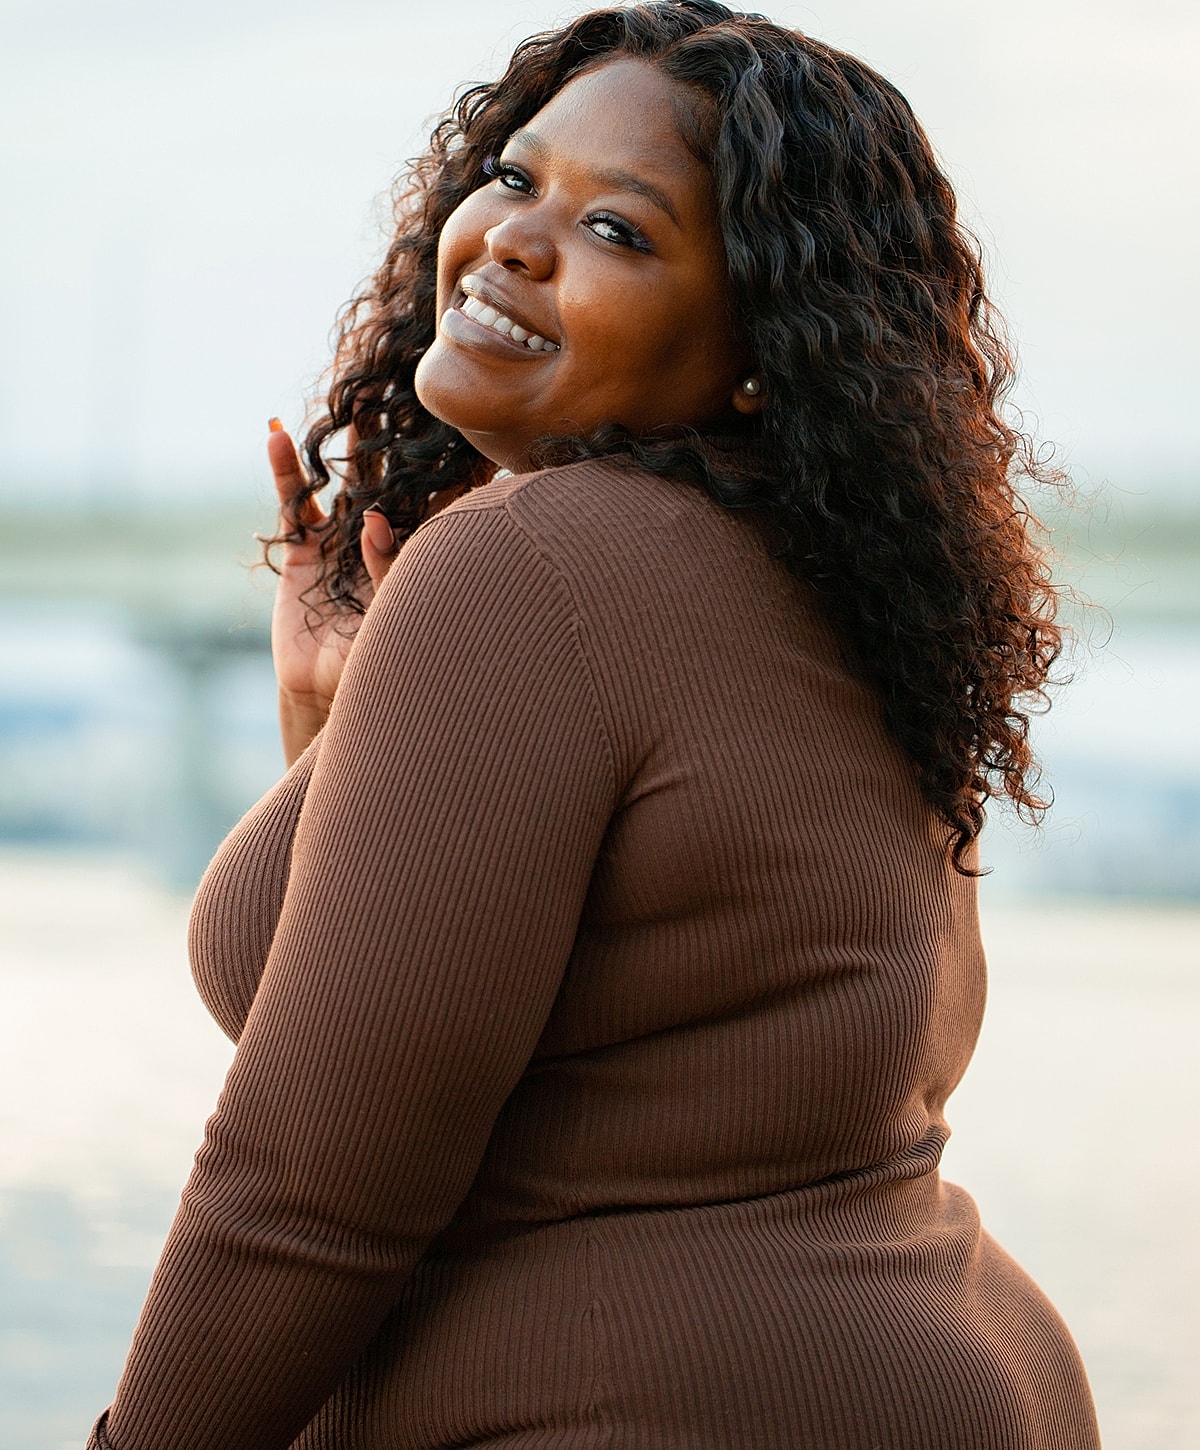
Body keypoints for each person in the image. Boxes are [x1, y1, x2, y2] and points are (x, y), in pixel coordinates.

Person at [88, 3, 1101, 1446]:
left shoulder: (533, 565)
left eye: (622, 231)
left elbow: (310, 1185)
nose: (510, 234)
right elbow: (608, 1036)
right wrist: (334, 739)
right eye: (513, 176)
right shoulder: (840, 599)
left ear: (759, 343)